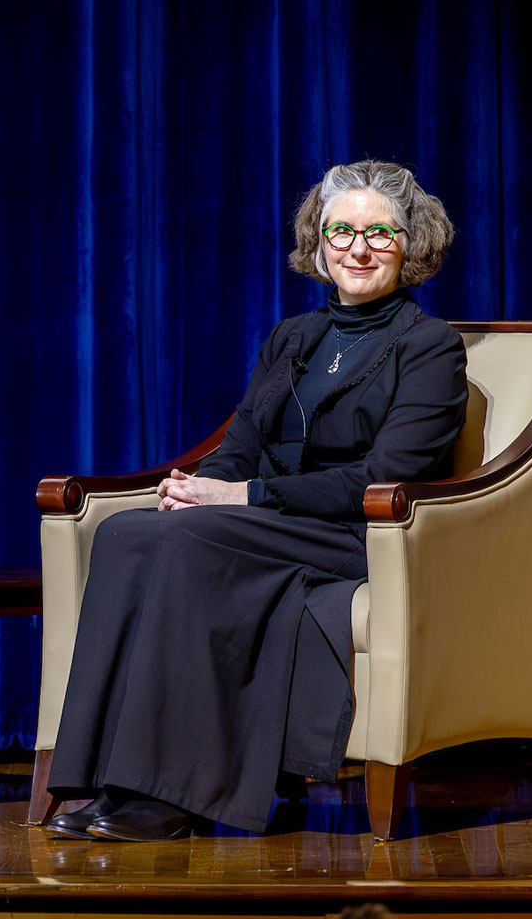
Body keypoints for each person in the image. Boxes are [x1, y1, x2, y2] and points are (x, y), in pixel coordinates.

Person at [42, 160, 468, 841]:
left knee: (188, 541)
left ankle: (168, 797)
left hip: (357, 533)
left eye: (380, 234)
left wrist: (242, 494)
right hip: (273, 522)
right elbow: (241, 438)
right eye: (342, 231)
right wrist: (197, 487)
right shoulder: (292, 337)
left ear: (412, 243)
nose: (358, 249)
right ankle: (101, 783)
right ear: (319, 242)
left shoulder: (429, 348)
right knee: (128, 532)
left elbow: (385, 476)